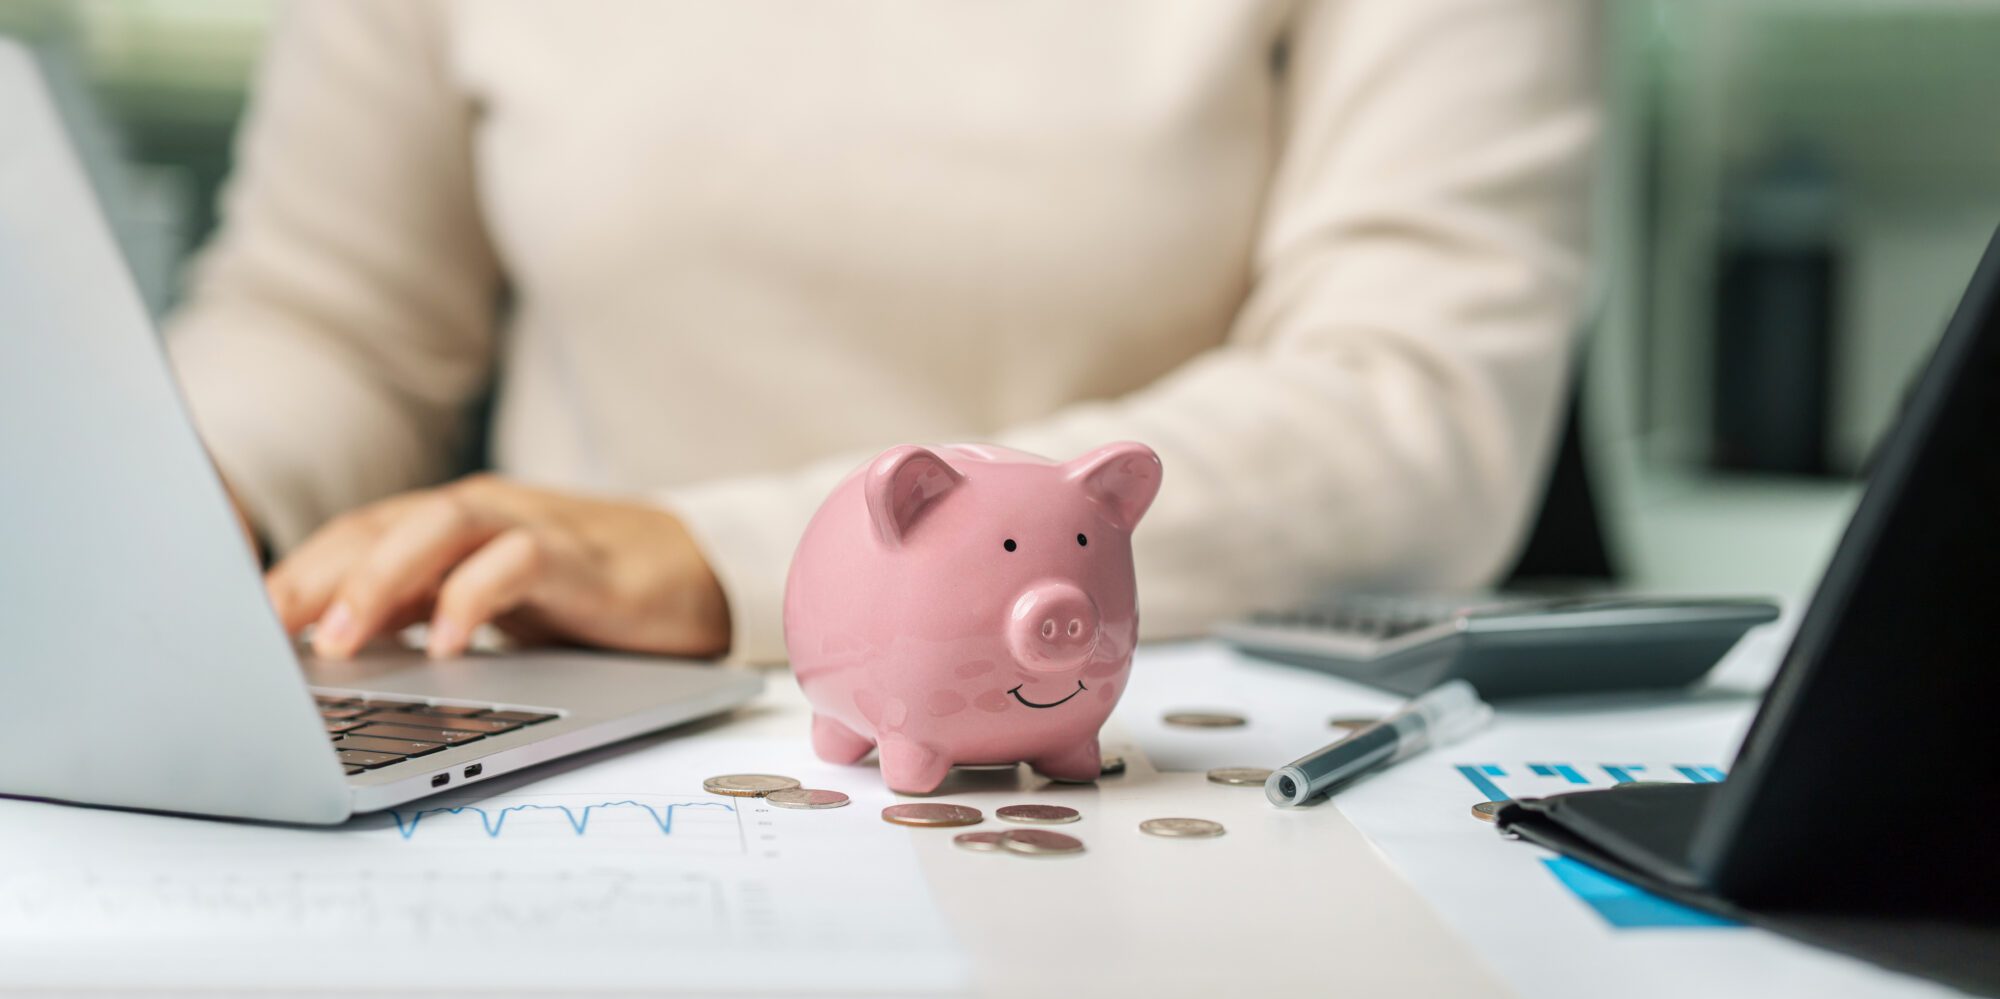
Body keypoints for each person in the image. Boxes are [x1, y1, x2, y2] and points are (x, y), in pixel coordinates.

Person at [168, 0, 1599, 666]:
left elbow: (1413, 404)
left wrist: (720, 554)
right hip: (552, 711)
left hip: (1140, 726)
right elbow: (329, 323)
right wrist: (165, 496)